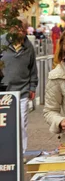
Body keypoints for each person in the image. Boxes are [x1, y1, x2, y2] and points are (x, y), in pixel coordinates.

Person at [1, 18, 38, 153]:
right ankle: (5, 152)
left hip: (22, 91)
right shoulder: (2, 42)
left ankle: (20, 152)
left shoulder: (28, 47)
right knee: (4, 125)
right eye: (17, 29)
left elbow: (33, 68)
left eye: (23, 30)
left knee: (21, 124)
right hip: (4, 91)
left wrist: (32, 86)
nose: (20, 33)